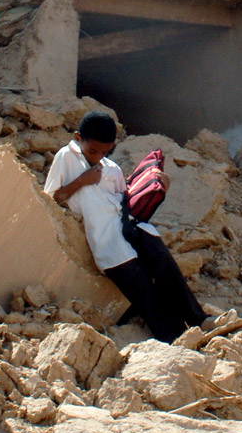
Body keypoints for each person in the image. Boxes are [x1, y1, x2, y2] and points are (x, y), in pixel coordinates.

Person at [44, 110, 207, 343]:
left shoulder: (112, 169)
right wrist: (82, 181)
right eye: (92, 151)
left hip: (130, 228)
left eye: (105, 151)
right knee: (143, 292)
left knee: (165, 268)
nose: (98, 156)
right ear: (78, 138)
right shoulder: (66, 157)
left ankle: (200, 320)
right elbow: (51, 197)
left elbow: (129, 202)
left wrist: (157, 188)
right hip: (108, 243)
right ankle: (177, 338)